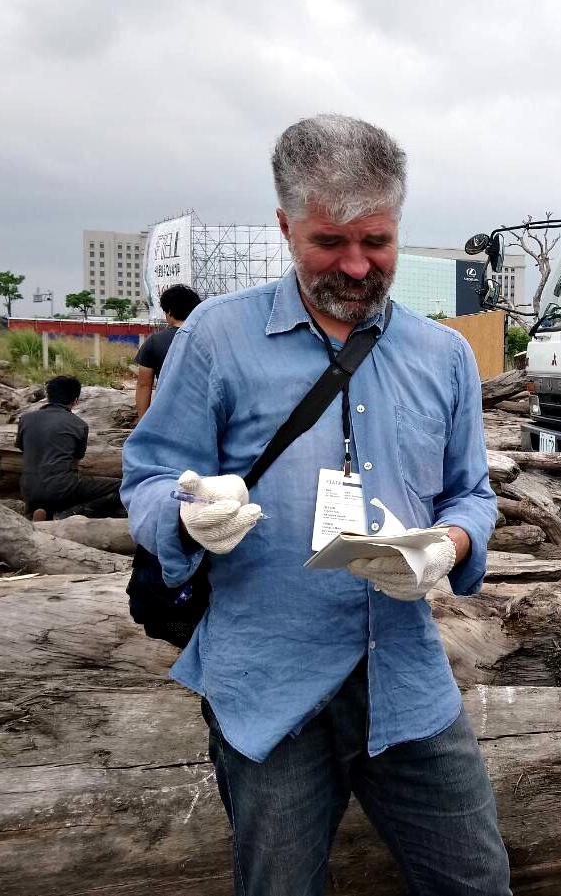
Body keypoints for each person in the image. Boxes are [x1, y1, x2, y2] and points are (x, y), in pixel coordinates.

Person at [122, 115, 509, 896]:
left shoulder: (443, 355)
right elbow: (149, 474)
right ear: (284, 224)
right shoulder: (216, 337)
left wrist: (450, 548)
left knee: (475, 881)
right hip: (268, 683)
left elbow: (471, 492)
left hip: (404, 677)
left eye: (378, 241)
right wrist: (185, 513)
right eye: (330, 242)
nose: (358, 264)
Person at [17, 375, 123, 520]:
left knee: (53, 488)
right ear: (75, 401)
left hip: (28, 488)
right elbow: (75, 462)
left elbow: (25, 451)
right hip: (61, 487)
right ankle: (70, 513)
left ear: (48, 397)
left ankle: (38, 511)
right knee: (122, 486)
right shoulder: (78, 424)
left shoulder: (25, 419)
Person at [134, 283, 201, 421]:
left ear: (169, 312)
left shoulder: (154, 342)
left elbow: (144, 385)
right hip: (202, 415)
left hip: (167, 416)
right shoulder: (209, 339)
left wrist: (143, 424)